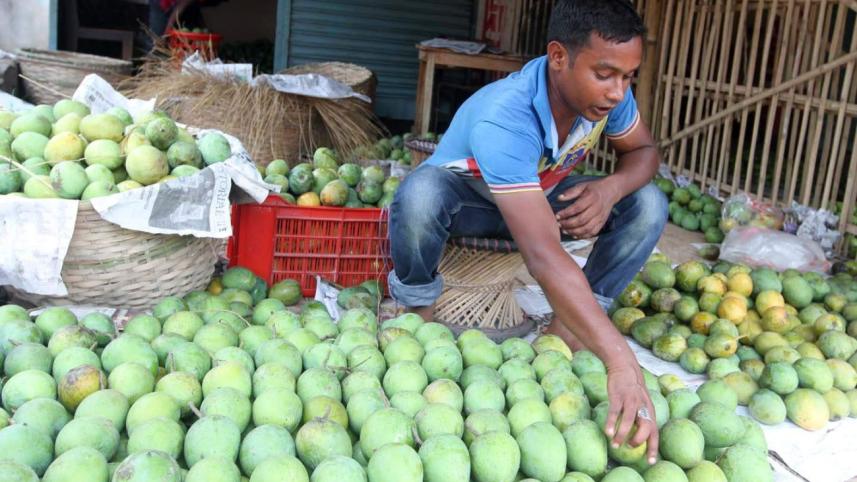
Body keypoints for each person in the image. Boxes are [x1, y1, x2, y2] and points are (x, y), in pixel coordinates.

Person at [389, 0, 665, 463]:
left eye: (628, 77)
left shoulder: (607, 99)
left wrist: (610, 189)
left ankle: (567, 329)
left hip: (538, 200)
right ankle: (419, 309)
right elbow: (542, 254)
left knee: (648, 203)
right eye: (605, 74)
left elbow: (644, 152)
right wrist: (622, 362)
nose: (618, 92)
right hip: (469, 205)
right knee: (419, 194)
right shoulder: (507, 114)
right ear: (558, 57)